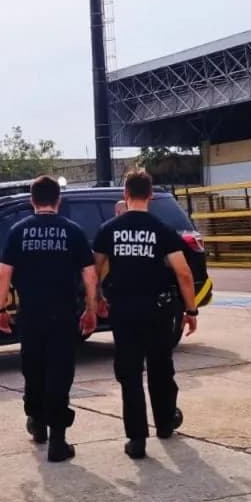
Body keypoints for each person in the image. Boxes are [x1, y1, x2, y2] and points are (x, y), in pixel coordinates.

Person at [93, 170, 199, 460]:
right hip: (158, 310)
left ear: (125, 194)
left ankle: (136, 438)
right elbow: (184, 273)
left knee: (129, 374)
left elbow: (95, 267)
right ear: (150, 195)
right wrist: (191, 310)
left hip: (124, 310)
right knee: (161, 368)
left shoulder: (109, 229)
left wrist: (97, 299)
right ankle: (165, 423)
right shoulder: (163, 229)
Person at [0, 176, 99, 463]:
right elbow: (89, 274)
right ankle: (58, 440)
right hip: (64, 315)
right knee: (60, 373)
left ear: (32, 200)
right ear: (58, 200)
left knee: (34, 370)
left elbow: (3, 273)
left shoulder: (18, 231)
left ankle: (37, 422)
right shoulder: (73, 232)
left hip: (30, 315)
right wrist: (91, 309)